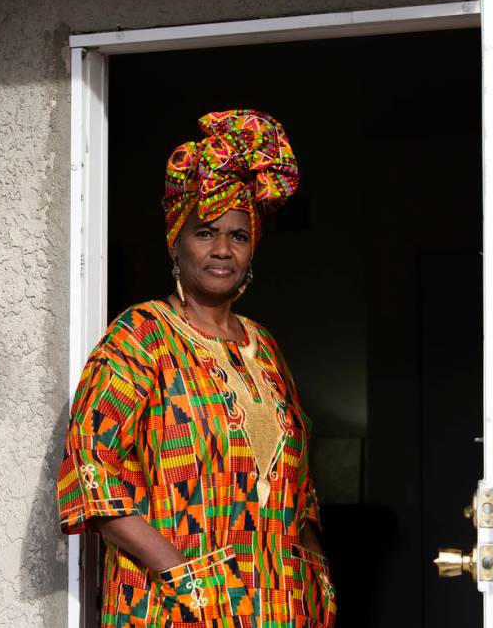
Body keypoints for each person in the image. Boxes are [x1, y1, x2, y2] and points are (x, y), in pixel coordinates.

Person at [57, 110, 335, 627]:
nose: (223, 250)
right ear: (176, 243)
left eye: (239, 236)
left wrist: (316, 573)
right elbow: (92, 475)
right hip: (175, 610)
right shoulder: (142, 336)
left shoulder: (266, 346)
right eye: (205, 233)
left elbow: (301, 488)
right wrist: (186, 578)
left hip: (281, 605)